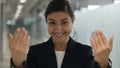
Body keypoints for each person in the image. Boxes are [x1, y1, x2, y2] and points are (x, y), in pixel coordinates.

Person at [9, 0, 114, 68]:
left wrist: (103, 64)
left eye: (64, 22)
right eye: (52, 22)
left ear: (72, 21)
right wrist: (18, 64)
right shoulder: (36, 52)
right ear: (47, 23)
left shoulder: (85, 52)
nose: (58, 29)